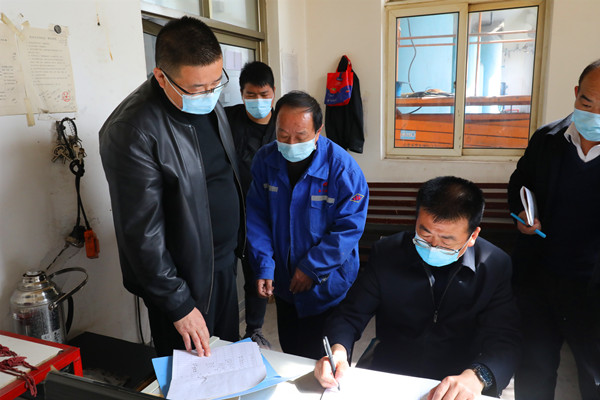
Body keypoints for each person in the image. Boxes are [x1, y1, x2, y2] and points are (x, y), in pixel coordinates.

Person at [99, 16, 243, 357]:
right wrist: (178, 304)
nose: (210, 95)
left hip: (223, 264)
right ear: (162, 77)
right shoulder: (132, 130)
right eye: (198, 88)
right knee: (191, 373)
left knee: (226, 359)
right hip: (183, 281)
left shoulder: (206, 97)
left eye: (216, 83)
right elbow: (141, 233)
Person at [315, 176, 521, 399]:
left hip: (460, 380)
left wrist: (478, 376)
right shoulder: (387, 254)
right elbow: (349, 315)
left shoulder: (493, 266)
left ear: (473, 236)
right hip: (390, 373)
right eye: (425, 234)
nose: (433, 246)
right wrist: (337, 351)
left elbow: (504, 339)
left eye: (446, 240)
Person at [245, 90, 369, 360]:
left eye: (300, 136)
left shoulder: (343, 170)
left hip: (329, 289)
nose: (291, 143)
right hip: (286, 285)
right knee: (292, 355)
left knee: (329, 362)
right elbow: (257, 217)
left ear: (318, 131)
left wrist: (312, 268)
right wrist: (264, 264)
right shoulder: (266, 160)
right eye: (283, 135)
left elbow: (348, 228)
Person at [508, 59, 600, 400]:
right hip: (539, 279)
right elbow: (520, 182)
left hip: (592, 289)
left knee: (594, 375)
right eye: (588, 102)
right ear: (576, 93)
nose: (595, 115)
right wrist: (521, 214)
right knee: (533, 369)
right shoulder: (547, 139)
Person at [225, 61, 276, 348]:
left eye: (263, 94)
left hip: (264, 214)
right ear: (242, 93)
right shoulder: (226, 119)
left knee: (257, 271)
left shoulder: (282, 123)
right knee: (223, 273)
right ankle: (223, 331)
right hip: (229, 210)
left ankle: (254, 329)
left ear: (273, 92)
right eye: (251, 95)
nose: (258, 101)